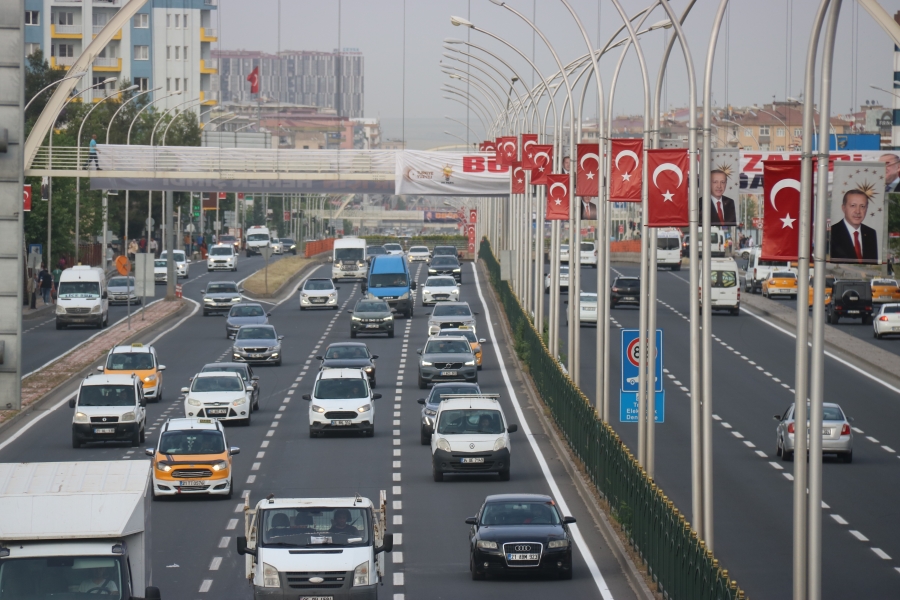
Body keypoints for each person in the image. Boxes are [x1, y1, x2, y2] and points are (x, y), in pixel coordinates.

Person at [830, 190, 878, 263]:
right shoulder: (833, 232)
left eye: (862, 206)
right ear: (843, 208)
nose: (858, 211)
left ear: (866, 209)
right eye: (853, 205)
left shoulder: (871, 233)